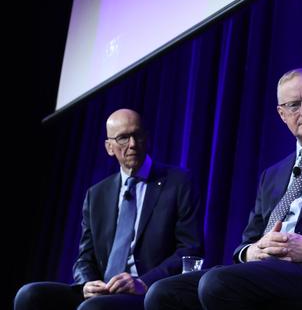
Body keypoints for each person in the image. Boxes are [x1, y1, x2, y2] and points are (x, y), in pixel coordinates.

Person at [145, 68, 302, 309]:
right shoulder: (272, 174)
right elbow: (245, 243)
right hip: (264, 267)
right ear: (282, 114)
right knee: (163, 292)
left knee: (217, 284)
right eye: (294, 105)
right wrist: (251, 251)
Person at [15, 109, 203, 310]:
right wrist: (87, 283)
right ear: (109, 147)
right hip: (104, 289)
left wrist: (144, 282)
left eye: (137, 135)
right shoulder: (96, 194)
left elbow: (190, 249)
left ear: (146, 138)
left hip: (146, 291)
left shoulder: (178, 183)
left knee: (93, 309)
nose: (132, 144)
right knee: (30, 295)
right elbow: (85, 258)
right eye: (123, 138)